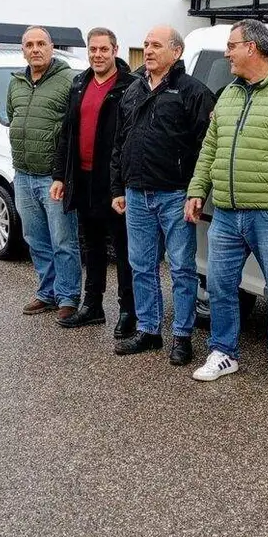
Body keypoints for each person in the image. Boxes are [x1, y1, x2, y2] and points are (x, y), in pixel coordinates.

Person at [184, 19, 268, 394]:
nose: (227, 53)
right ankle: (223, 352)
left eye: (232, 45)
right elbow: (210, 148)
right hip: (227, 214)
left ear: (253, 48)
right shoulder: (228, 94)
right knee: (220, 285)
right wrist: (198, 189)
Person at [111, 25, 215, 365]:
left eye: (156, 45)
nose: (149, 50)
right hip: (136, 193)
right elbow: (120, 142)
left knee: (183, 268)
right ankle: (149, 331)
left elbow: (206, 148)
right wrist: (118, 187)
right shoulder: (133, 89)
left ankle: (182, 336)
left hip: (175, 195)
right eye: (145, 44)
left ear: (177, 52)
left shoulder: (193, 92)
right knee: (141, 266)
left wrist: (196, 192)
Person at [50, 27, 137, 337]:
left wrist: (123, 184)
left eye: (104, 49)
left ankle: (129, 311)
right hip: (83, 178)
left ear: (115, 51)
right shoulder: (80, 83)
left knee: (124, 250)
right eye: (93, 50)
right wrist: (61, 175)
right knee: (93, 246)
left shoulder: (130, 86)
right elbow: (67, 133)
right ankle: (92, 306)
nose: (98, 55)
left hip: (114, 183)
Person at [7, 25, 81, 321]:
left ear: (52, 47)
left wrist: (62, 174)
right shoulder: (16, 83)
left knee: (63, 240)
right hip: (23, 173)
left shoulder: (68, 81)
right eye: (29, 45)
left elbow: (74, 129)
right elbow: (12, 117)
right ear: (22, 50)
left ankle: (68, 296)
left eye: (41, 44)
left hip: (54, 177)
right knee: (35, 238)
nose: (35, 49)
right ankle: (46, 292)